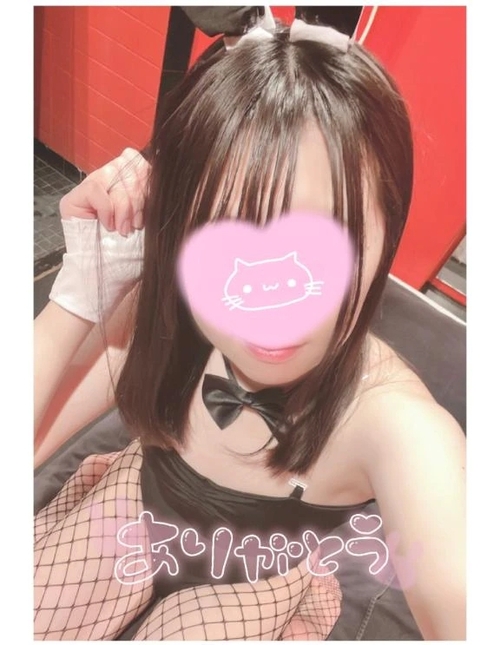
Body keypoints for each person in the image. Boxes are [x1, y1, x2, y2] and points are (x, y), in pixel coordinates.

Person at [34, 9, 465, 642]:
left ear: (386, 232)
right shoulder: (170, 318)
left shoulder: (393, 421)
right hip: (131, 509)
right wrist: (81, 293)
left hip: (256, 579)